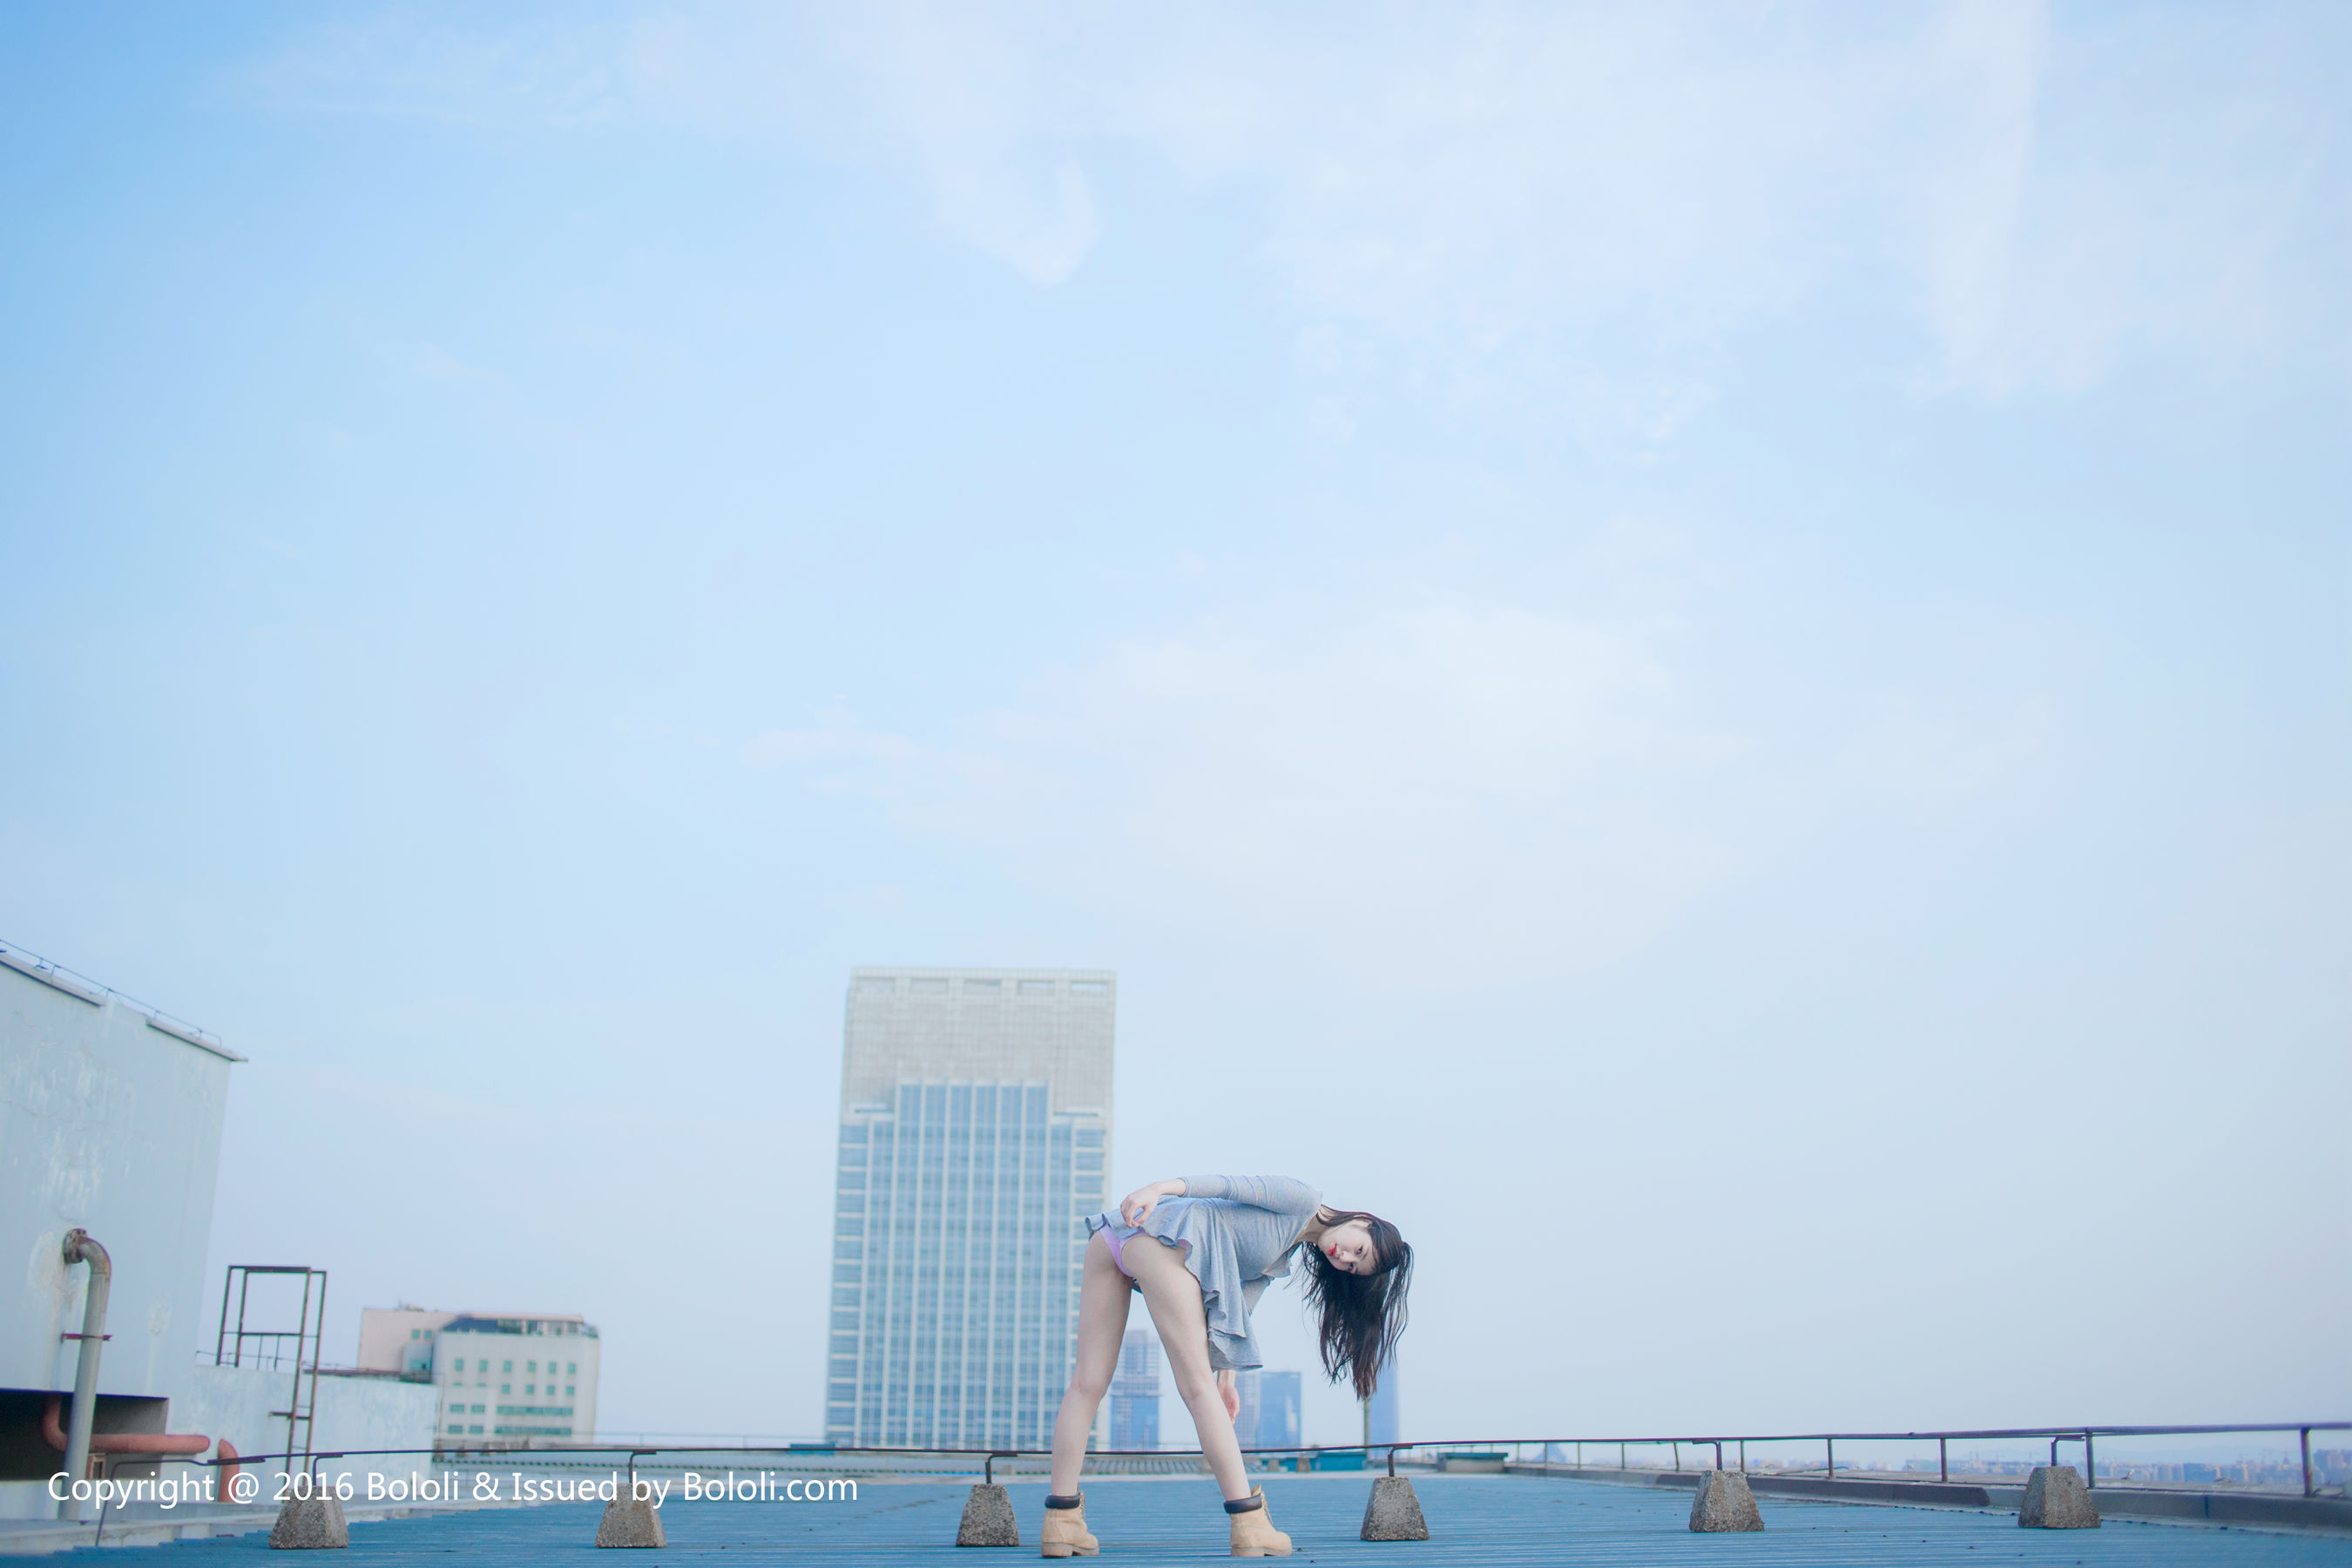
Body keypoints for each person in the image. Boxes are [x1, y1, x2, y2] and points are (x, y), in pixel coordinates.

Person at [1041, 1174, 1412, 1558]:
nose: (1345, 1258)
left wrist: (1228, 1379)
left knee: (1086, 1385)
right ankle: (1250, 1523)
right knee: (1194, 1389)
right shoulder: (1303, 1199)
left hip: (1118, 1240)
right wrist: (1157, 1189)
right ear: (1363, 1222)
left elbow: (1236, 1311)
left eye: (1352, 1267)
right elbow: (1227, 1186)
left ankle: (1061, 1522)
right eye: (1359, 1250)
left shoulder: (1280, 1257)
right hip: (1160, 1238)